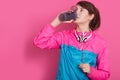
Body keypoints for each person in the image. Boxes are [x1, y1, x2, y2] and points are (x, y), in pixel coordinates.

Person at [34, 0, 110, 80]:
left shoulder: (100, 43)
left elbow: (105, 74)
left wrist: (91, 71)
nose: (77, 13)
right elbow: (39, 42)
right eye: (75, 10)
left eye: (81, 10)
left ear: (91, 16)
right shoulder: (64, 36)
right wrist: (58, 20)